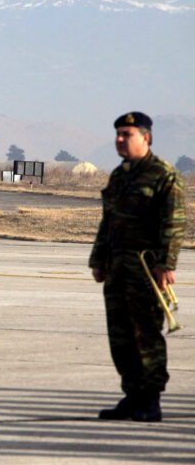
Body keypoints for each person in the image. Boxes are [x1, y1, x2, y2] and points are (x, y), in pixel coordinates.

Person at [89, 112, 186, 422]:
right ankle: (132, 395)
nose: (119, 139)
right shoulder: (120, 176)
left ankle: (151, 399)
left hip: (145, 270)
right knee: (120, 336)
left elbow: (174, 223)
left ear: (146, 137)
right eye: (118, 134)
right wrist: (99, 259)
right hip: (118, 268)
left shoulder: (163, 175)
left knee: (146, 334)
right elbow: (109, 222)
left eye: (126, 134)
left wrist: (165, 264)